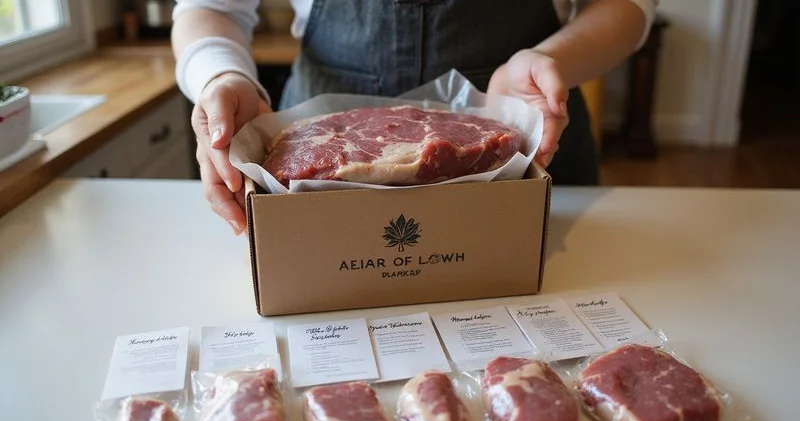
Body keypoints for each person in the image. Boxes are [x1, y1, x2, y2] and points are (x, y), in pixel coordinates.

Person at [172, 0, 657, 235]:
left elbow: (625, 5)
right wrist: (220, 77)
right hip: (314, 161)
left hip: (524, 135)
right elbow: (211, 8)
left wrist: (549, 60)